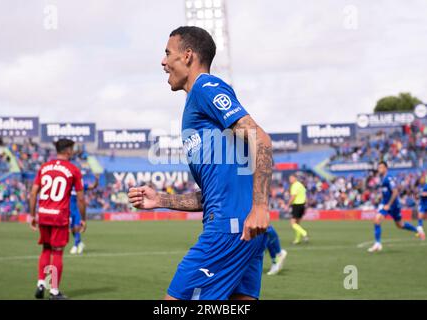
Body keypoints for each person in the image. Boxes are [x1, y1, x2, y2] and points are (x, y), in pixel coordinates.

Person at [128, 26, 272, 300]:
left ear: (188, 55)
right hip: (243, 231)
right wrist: (161, 199)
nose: (163, 61)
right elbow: (212, 195)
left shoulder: (205, 87)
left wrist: (261, 207)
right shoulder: (199, 106)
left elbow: (261, 140)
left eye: (168, 53)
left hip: (228, 231)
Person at [29, 139, 86, 299]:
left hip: (44, 214)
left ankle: (41, 283)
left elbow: (33, 193)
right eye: (72, 149)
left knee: (46, 249)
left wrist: (32, 215)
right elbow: (81, 199)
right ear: (68, 151)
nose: (73, 152)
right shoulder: (73, 169)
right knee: (58, 253)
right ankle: (54, 291)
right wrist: (83, 219)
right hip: (59, 216)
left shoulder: (44, 167)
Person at [368, 161, 420, 252]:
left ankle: (417, 229)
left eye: (381, 167)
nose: (379, 169)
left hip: (392, 205)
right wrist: (381, 197)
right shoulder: (382, 179)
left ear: (385, 168)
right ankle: (378, 244)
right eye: (378, 167)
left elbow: (395, 191)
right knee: (377, 220)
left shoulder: (389, 178)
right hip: (385, 204)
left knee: (400, 225)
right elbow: (386, 191)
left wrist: (388, 205)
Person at [70, 174, 99, 255]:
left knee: (77, 226)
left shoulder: (81, 185)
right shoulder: (67, 184)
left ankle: (76, 246)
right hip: (69, 209)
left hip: (78, 209)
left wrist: (96, 180)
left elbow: (93, 186)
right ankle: (79, 243)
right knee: (72, 229)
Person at [284, 174, 308, 244]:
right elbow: (305, 196)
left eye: (291, 178)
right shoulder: (301, 185)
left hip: (297, 205)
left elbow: (293, 196)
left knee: (293, 223)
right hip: (302, 205)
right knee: (297, 223)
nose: (290, 180)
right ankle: (297, 240)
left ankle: (304, 233)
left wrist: (287, 205)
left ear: (295, 178)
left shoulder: (294, 186)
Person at [416, 175, 426, 240]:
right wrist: (417, 196)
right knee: (420, 218)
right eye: (420, 179)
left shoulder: (426, 186)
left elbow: (425, 194)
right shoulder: (419, 187)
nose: (421, 180)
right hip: (422, 205)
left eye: (422, 179)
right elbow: (419, 194)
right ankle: (422, 235)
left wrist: (420, 194)